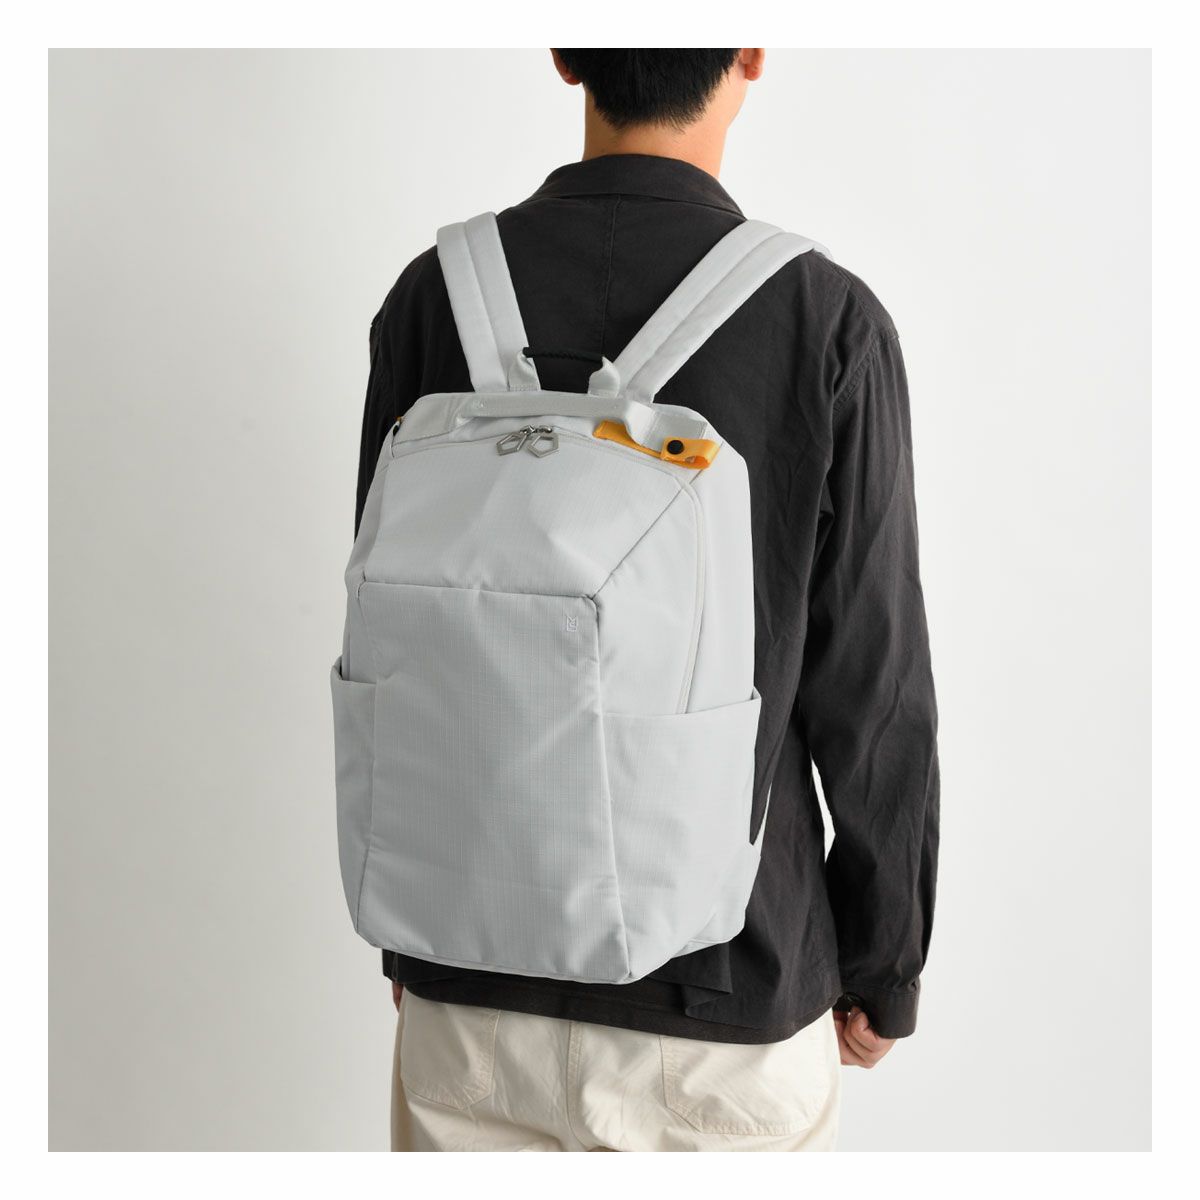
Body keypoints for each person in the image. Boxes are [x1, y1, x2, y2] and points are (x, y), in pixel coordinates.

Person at [353, 48, 940, 1152]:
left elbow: (392, 634)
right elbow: (874, 683)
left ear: (564, 51)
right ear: (750, 51)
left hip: (467, 993)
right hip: (726, 1000)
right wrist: (884, 965)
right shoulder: (822, 319)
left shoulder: (434, 296)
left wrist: (418, 929)